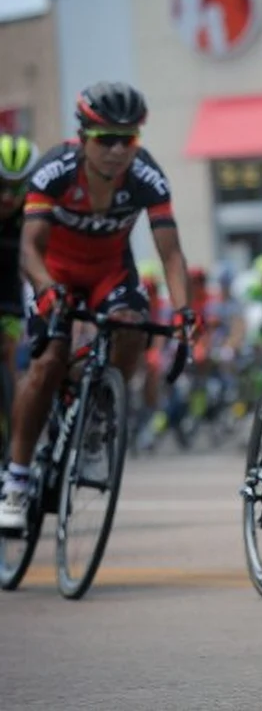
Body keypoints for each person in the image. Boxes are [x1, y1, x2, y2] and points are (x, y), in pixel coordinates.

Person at [0, 82, 195, 532]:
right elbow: (29, 249)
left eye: (127, 140)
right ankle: (17, 478)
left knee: (134, 324)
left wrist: (184, 313)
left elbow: (170, 253)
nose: (116, 150)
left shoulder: (147, 176)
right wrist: (46, 288)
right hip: (54, 271)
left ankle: (97, 418)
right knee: (48, 362)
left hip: (110, 271)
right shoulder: (54, 171)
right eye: (105, 139)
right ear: (83, 135)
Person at [0, 134, 39, 394]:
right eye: (2, 184)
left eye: (16, 188)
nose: (7, 197)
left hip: (9, 290)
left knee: (9, 354)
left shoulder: (32, 211)